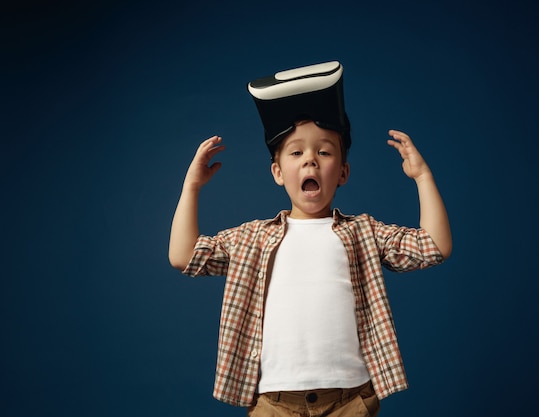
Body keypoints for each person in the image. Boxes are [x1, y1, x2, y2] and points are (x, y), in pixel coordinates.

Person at [169, 62, 452, 416]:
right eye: (297, 152)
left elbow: (435, 246)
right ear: (277, 172)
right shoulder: (252, 238)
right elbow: (184, 256)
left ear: (343, 172)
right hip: (273, 405)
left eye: (324, 152)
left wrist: (422, 177)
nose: (311, 162)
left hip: (350, 401)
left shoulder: (363, 232)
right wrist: (191, 187)